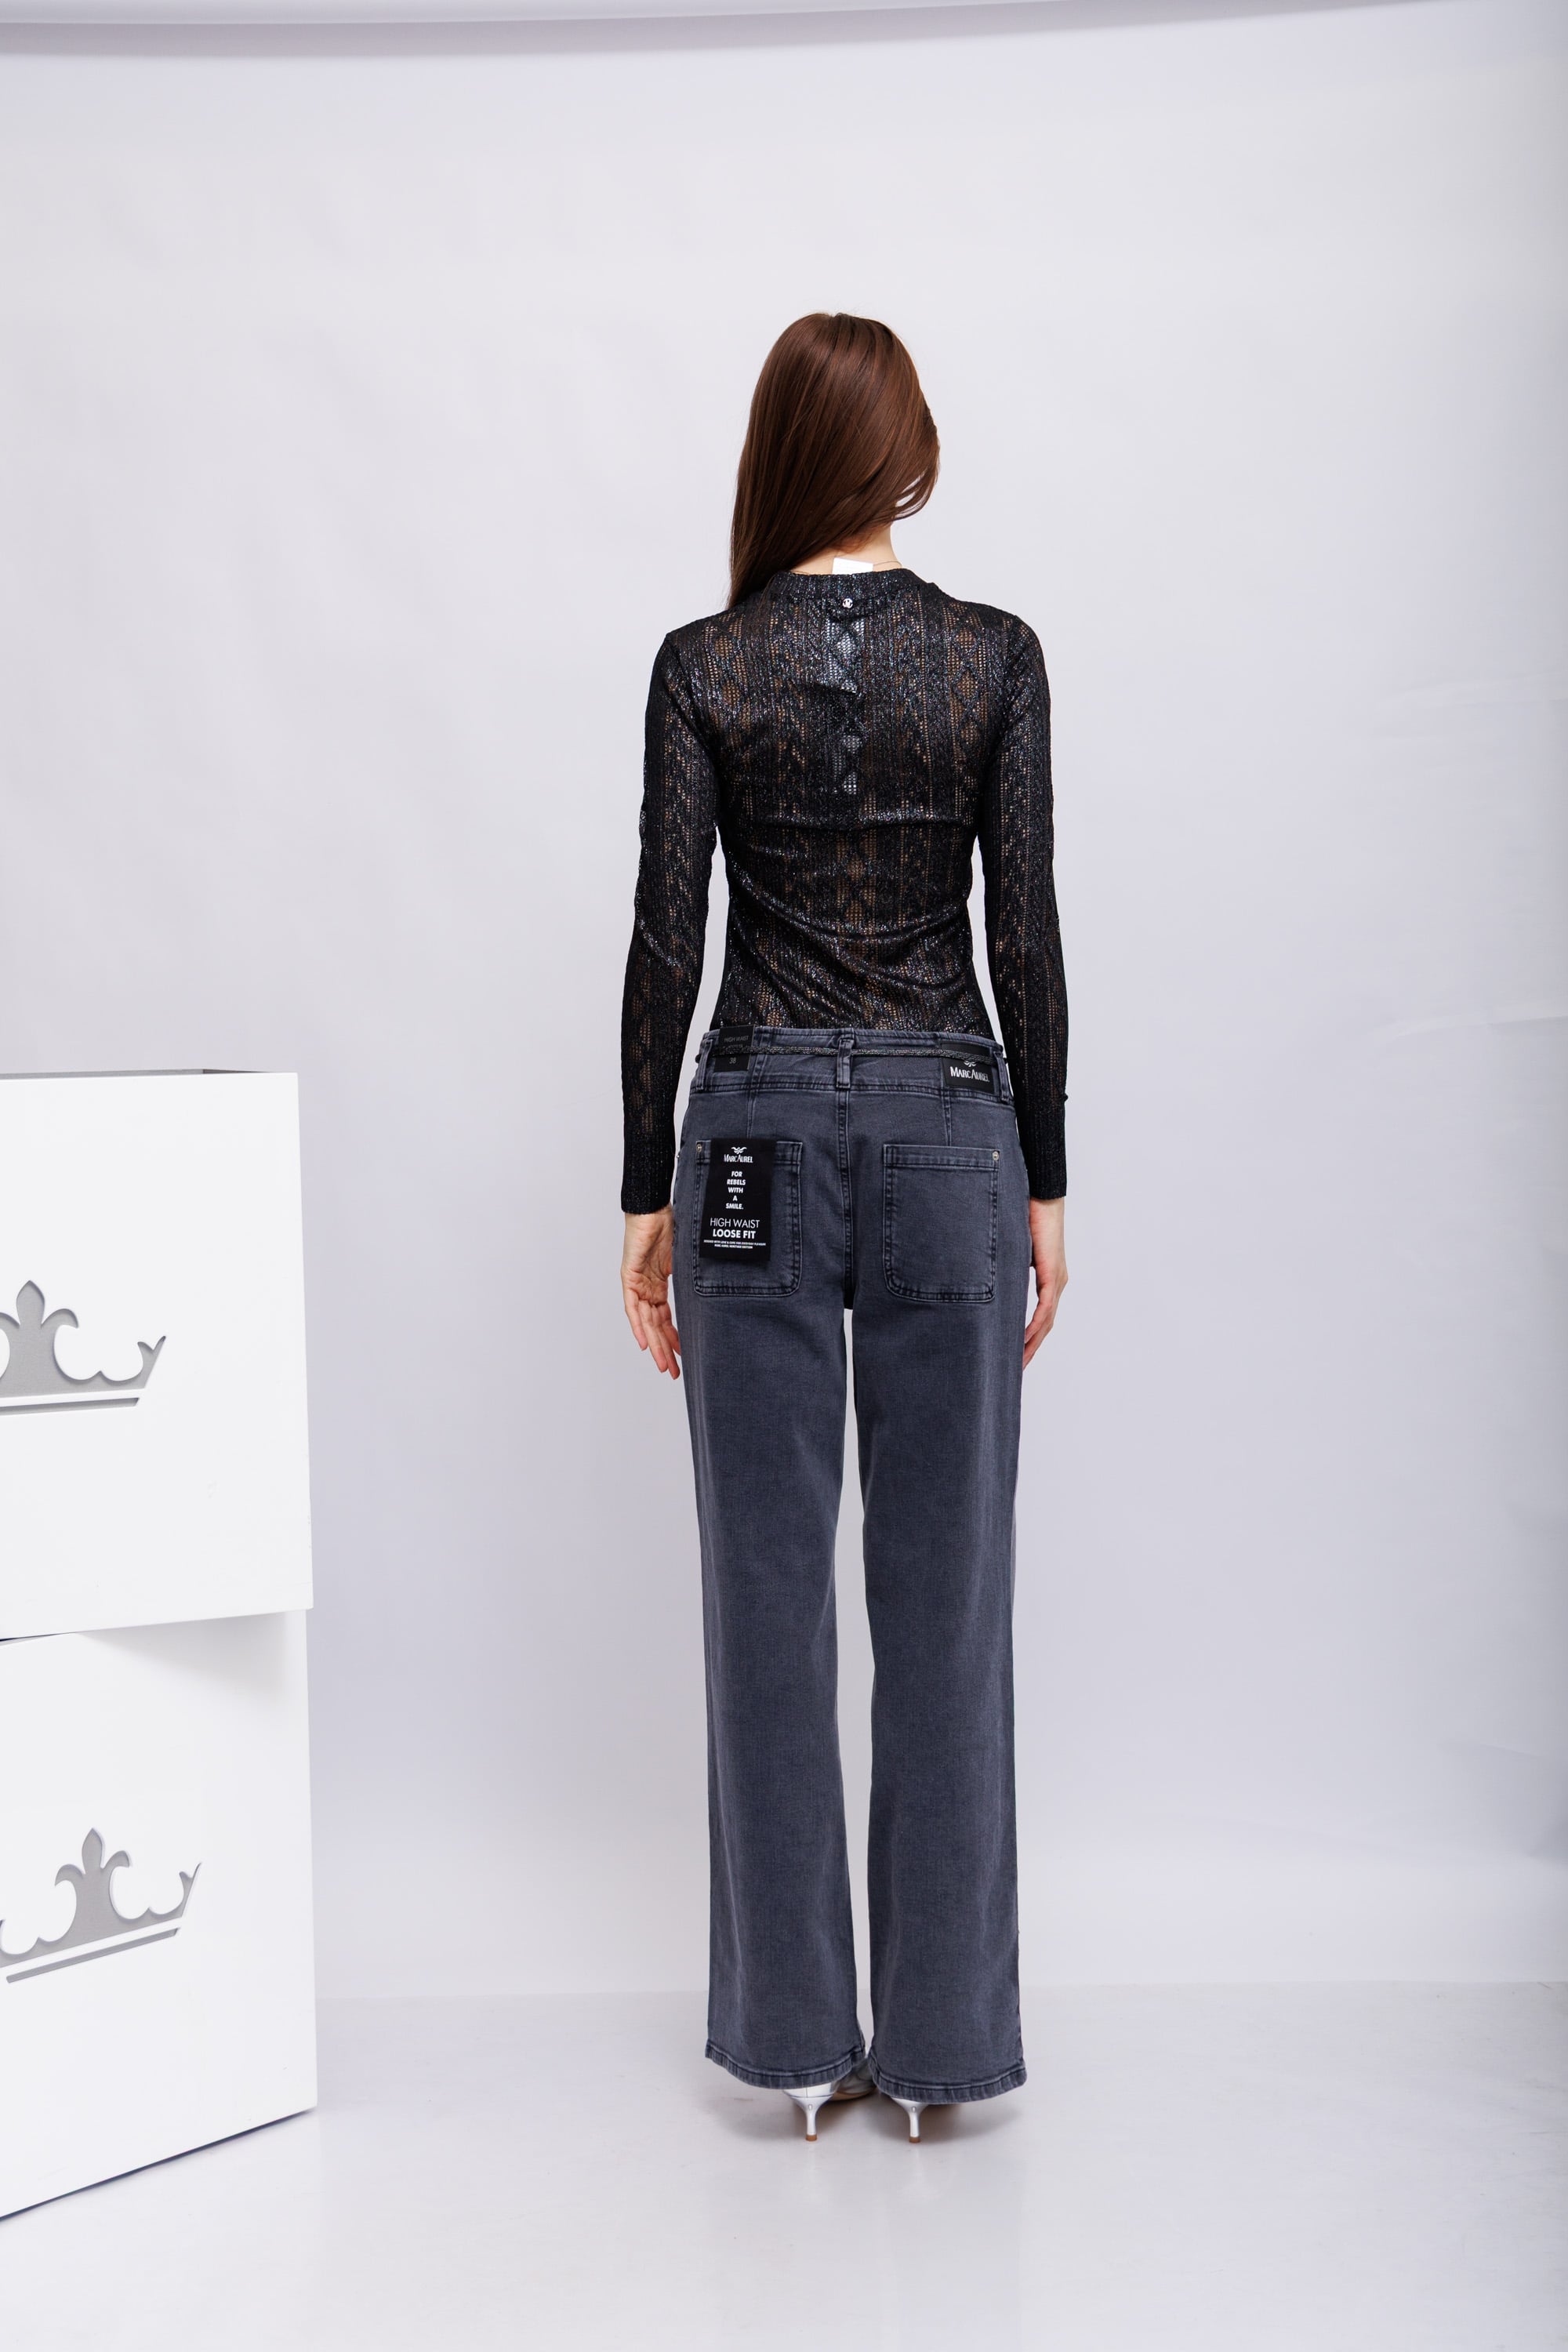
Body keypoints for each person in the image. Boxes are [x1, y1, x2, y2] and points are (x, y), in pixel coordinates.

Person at [619, 313, 1068, 2144]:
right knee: (948, 1603)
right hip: (953, 1133)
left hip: (752, 1141)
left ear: (779, 456)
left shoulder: (703, 666)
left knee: (765, 1594)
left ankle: (799, 2046)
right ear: (910, 458)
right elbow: (1022, 933)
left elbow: (666, 946)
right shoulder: (994, 659)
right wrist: (1045, 1182)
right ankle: (942, 2058)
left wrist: (645, 1195)